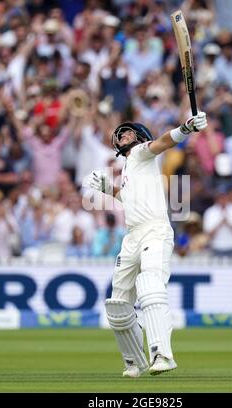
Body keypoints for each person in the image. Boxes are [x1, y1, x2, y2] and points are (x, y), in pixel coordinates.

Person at [87, 111, 207, 377]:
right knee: (117, 303)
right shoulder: (129, 169)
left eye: (128, 131)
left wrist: (186, 128)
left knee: (150, 287)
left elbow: (163, 142)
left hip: (155, 231)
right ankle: (134, 362)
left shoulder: (142, 152)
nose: (122, 135)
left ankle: (163, 355)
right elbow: (129, 200)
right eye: (120, 134)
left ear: (140, 137)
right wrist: (110, 190)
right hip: (132, 236)